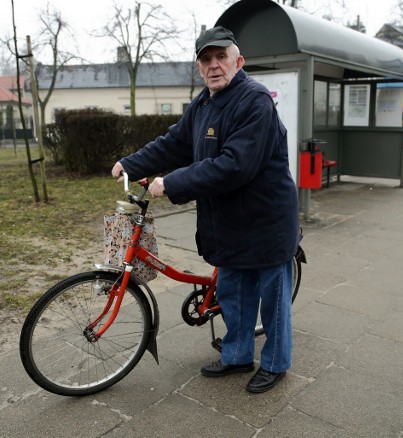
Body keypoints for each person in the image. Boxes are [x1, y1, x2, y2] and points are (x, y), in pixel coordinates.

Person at [111, 26, 300, 394]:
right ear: (199, 67)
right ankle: (237, 355)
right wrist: (131, 163)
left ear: (238, 61)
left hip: (266, 221)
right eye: (206, 59)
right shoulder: (204, 102)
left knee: (272, 302)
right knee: (233, 293)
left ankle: (276, 364)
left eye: (221, 57)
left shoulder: (254, 101)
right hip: (229, 222)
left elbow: (235, 165)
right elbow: (175, 143)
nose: (214, 65)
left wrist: (173, 183)